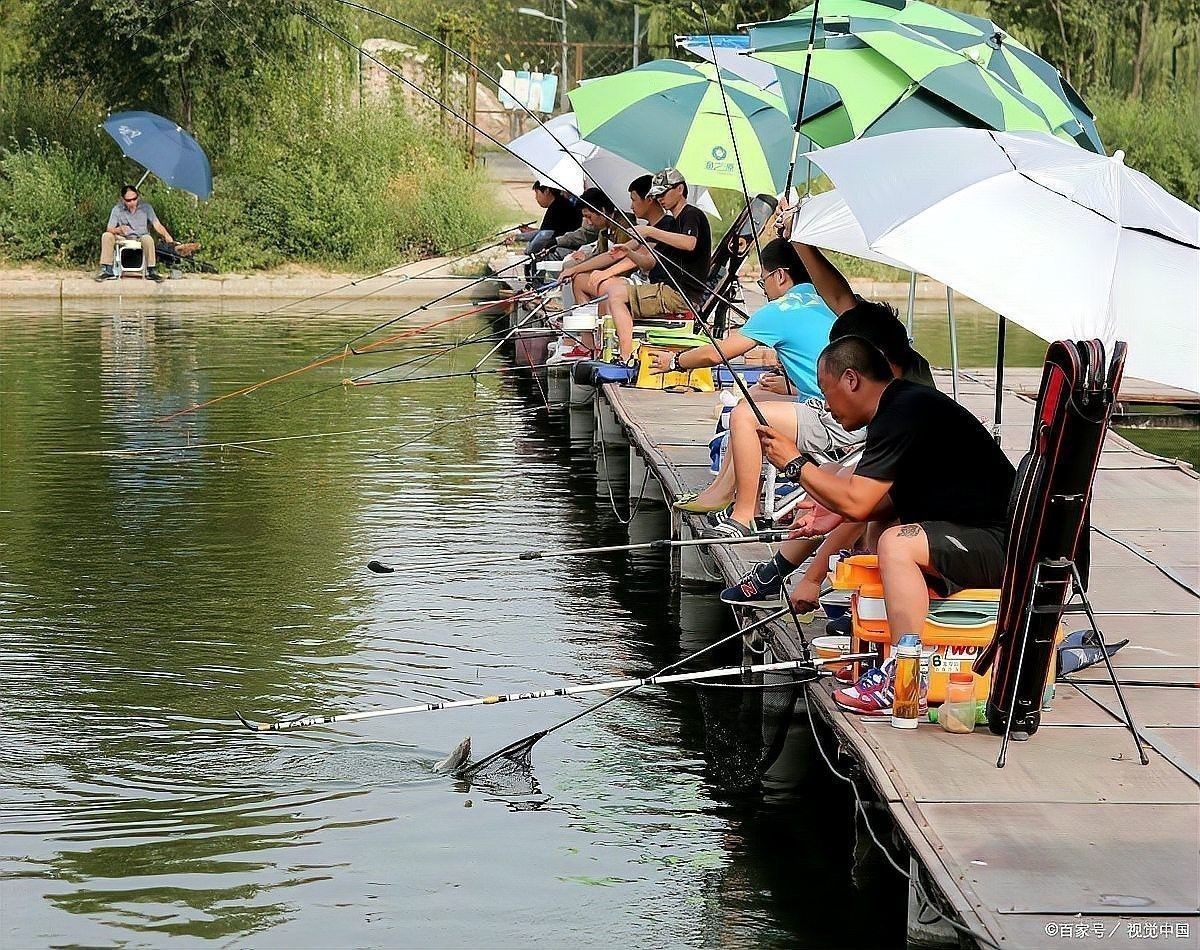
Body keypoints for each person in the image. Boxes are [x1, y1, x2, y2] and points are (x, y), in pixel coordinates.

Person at [755, 335, 1016, 716]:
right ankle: (881, 649)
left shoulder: (901, 411)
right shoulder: (903, 404)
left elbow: (858, 499)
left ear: (851, 379)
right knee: (885, 528)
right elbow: (883, 501)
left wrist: (795, 464)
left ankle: (904, 675)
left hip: (1005, 544)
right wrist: (836, 512)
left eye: (827, 392)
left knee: (897, 542)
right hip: (973, 532)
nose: (827, 407)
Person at [601, 167, 712, 363]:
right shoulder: (673, 224)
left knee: (617, 296)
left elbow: (689, 243)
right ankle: (627, 351)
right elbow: (649, 264)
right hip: (666, 289)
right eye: (656, 194)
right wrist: (629, 252)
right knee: (615, 289)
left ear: (679, 189)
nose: (660, 198)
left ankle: (626, 356)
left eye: (664, 192)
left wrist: (650, 232)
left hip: (679, 294)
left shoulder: (691, 214)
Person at [558, 175, 669, 310]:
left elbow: (637, 258)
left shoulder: (661, 226)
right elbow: (614, 254)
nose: (631, 206)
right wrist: (575, 269)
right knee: (580, 278)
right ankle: (589, 325)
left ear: (649, 200)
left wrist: (606, 273)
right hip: (637, 279)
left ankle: (595, 327)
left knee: (604, 290)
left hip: (650, 284)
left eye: (633, 200)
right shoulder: (645, 228)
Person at [96, 184, 177, 282]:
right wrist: (118, 229)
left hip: (141, 236)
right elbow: (109, 228)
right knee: (106, 236)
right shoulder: (117, 209)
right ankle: (107, 270)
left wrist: (167, 235)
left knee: (148, 239)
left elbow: (157, 224)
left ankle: (151, 270)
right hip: (123, 237)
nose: (132, 202)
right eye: (128, 200)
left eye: (134, 199)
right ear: (123, 200)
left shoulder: (146, 207)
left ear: (138, 196)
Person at [508, 181, 582, 257]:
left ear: (547, 191)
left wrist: (527, 252)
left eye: (537, 193)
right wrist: (518, 237)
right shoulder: (558, 204)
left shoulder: (558, 207)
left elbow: (544, 236)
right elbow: (543, 232)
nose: (536, 197)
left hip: (565, 250)